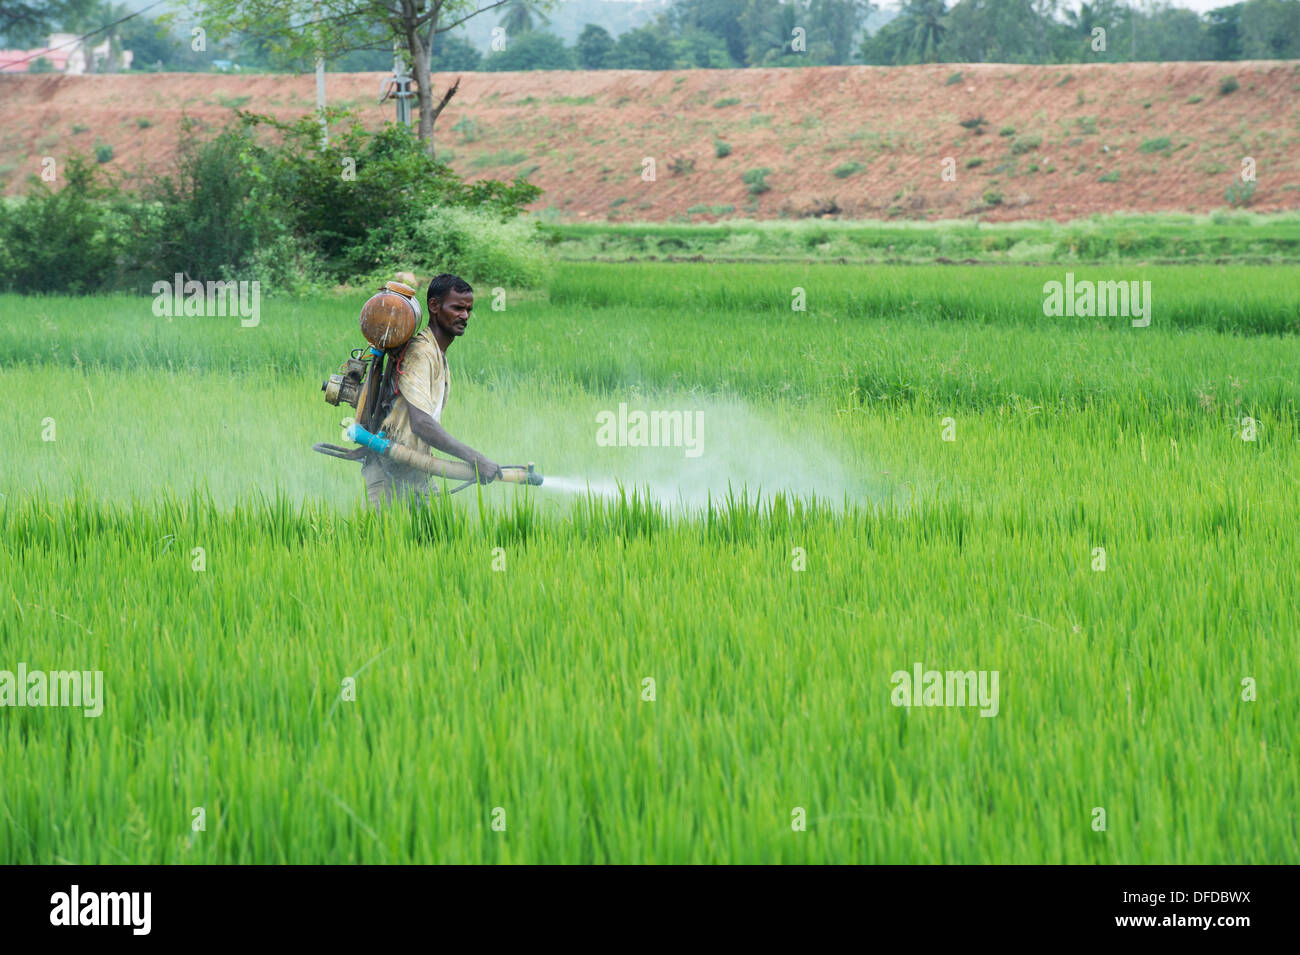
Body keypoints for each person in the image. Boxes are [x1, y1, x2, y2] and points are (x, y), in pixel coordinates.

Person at [361, 273, 502, 511]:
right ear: (434, 306)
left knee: (436, 535)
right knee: (382, 541)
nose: (465, 316)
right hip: (390, 467)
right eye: (457, 308)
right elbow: (421, 424)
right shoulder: (421, 354)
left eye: (468, 309)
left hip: (412, 467)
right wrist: (474, 458)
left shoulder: (436, 353)